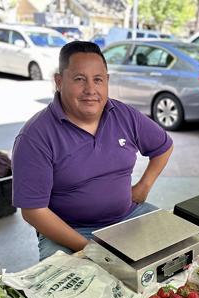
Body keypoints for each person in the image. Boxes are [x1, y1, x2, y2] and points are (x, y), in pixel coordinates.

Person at [12, 41, 174, 260]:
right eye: (79, 79)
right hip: (69, 231)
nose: (90, 90)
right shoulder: (35, 136)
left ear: (107, 81)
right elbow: (33, 211)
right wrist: (89, 248)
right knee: (67, 280)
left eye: (98, 80)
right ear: (59, 81)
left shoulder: (124, 115)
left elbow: (164, 146)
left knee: (182, 251)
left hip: (129, 215)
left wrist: (144, 186)